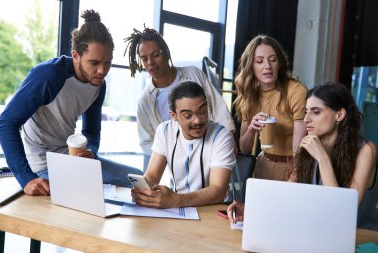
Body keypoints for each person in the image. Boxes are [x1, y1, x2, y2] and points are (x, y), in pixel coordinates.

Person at [0, 10, 141, 196]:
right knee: (87, 197)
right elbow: (5, 123)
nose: (102, 70)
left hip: (71, 159)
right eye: (94, 63)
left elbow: (91, 131)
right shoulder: (48, 75)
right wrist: (26, 178)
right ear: (75, 56)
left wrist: (90, 150)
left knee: (139, 179)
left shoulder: (99, 85)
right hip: (42, 166)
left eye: (107, 63)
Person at [227, 83, 377, 227]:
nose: (306, 119)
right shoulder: (309, 145)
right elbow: (287, 195)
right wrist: (251, 210)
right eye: (306, 112)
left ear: (339, 115)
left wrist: (322, 158)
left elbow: (344, 212)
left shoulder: (366, 150)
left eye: (316, 112)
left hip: (359, 238)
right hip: (320, 232)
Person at [123, 27, 235, 171]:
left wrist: (228, 137)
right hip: (175, 166)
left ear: (166, 53)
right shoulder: (144, 101)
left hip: (211, 151)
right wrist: (170, 160)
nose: (150, 62)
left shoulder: (194, 74)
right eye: (144, 58)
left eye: (155, 55)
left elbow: (218, 107)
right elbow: (147, 142)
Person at [131, 81, 236, 208]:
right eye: (188, 116)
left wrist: (176, 200)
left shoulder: (221, 136)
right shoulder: (164, 131)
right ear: (174, 116)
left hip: (211, 209)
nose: (197, 120)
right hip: (176, 210)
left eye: (202, 112)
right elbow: (152, 176)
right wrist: (143, 191)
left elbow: (218, 190)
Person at [233, 35, 307, 181]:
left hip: (293, 166)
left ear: (279, 63)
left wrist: (295, 175)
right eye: (259, 61)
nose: (267, 66)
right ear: (251, 66)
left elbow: (300, 148)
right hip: (263, 164)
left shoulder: (296, 91)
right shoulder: (249, 95)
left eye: (272, 60)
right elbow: (245, 149)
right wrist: (251, 129)